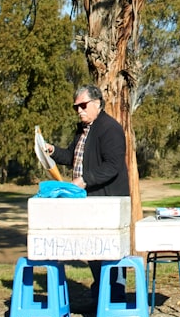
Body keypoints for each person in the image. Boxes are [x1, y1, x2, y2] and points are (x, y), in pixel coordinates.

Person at [46, 85, 129, 305]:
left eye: (83, 106)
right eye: (76, 107)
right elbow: (73, 157)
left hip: (108, 201)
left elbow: (113, 165)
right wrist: (53, 151)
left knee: (110, 251)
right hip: (89, 202)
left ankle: (115, 298)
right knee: (93, 250)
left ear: (97, 103)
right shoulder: (83, 130)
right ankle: (102, 296)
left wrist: (84, 180)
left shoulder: (109, 129)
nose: (79, 111)